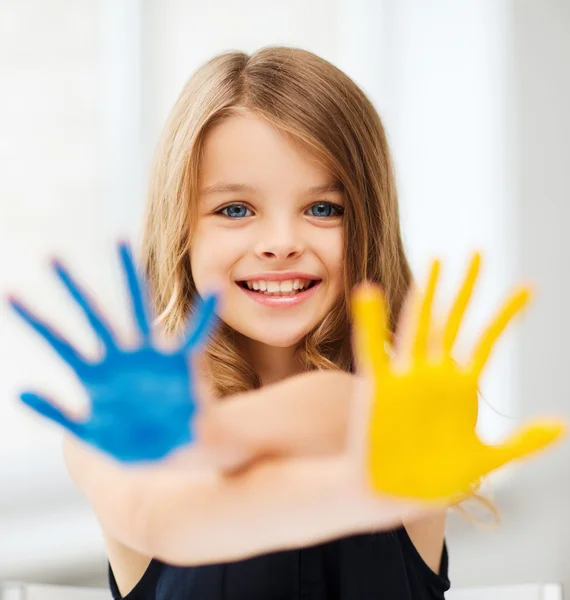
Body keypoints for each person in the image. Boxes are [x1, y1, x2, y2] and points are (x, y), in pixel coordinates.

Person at [8, 46, 564, 600]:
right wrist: (191, 445)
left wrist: (212, 436)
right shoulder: (112, 431)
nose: (281, 244)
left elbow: (334, 411)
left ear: (369, 224)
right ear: (181, 229)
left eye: (323, 208)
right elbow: (165, 519)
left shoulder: (397, 412)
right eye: (235, 210)